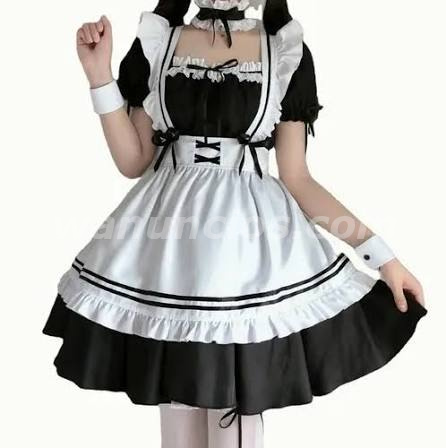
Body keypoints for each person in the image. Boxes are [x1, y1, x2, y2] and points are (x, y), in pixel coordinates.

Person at [43, 1, 427, 447]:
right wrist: (99, 77)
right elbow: (133, 161)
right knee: (180, 420)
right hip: (169, 255)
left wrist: (380, 255)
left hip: (249, 256)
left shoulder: (283, 50)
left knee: (234, 414)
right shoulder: (157, 41)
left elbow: (298, 178)